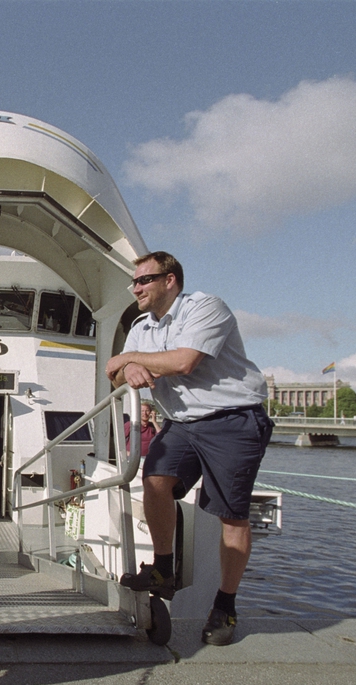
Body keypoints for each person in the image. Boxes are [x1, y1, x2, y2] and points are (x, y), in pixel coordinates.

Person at [105, 251, 272, 646]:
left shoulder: (205, 308)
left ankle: (225, 606)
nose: (135, 289)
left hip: (232, 419)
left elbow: (184, 362)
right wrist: (128, 367)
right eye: (134, 282)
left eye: (144, 280)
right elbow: (114, 372)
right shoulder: (142, 326)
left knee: (232, 516)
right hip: (182, 422)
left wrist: (128, 358)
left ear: (170, 280)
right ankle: (163, 569)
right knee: (154, 480)